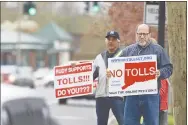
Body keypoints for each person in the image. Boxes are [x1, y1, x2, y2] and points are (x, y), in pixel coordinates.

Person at [106, 24, 173, 125]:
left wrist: (160, 72)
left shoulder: (158, 50)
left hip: (151, 96)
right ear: (136, 35)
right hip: (131, 96)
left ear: (149, 35)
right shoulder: (128, 50)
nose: (142, 36)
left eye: (144, 34)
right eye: (139, 34)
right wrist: (109, 71)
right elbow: (114, 62)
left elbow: (169, 68)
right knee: (129, 123)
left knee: (151, 123)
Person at [93, 31, 124, 125]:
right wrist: (75, 69)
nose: (110, 41)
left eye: (113, 39)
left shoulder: (124, 56)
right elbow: (91, 75)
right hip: (101, 96)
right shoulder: (99, 57)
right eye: (108, 39)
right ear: (105, 41)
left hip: (118, 96)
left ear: (118, 41)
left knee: (124, 122)